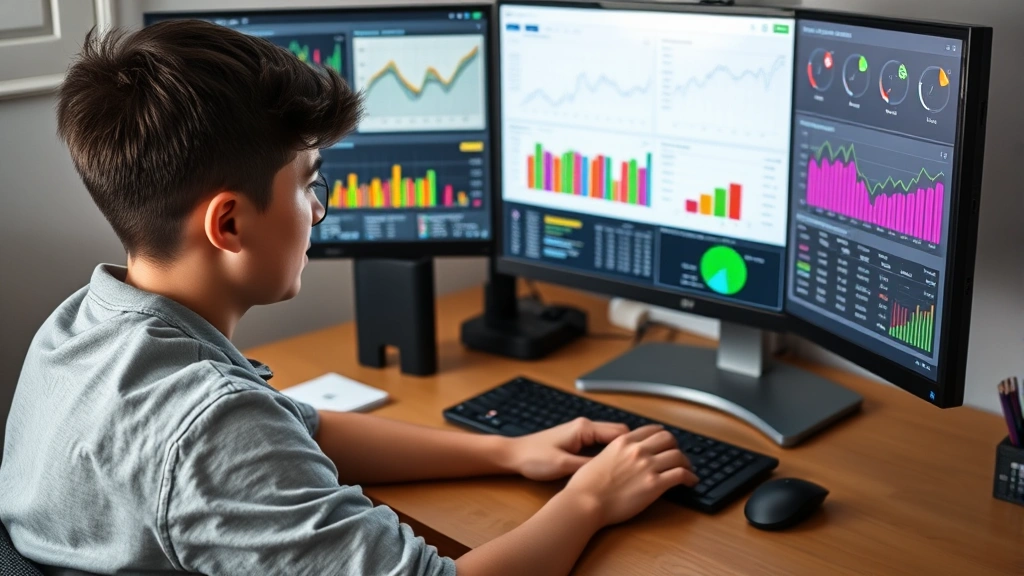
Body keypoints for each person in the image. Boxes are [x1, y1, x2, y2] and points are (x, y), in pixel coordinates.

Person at [0, 20, 697, 575]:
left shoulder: (83, 325)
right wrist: (590, 500)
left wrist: (510, 453)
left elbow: (298, 424)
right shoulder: (212, 430)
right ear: (230, 223)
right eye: (309, 182)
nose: (319, 209)